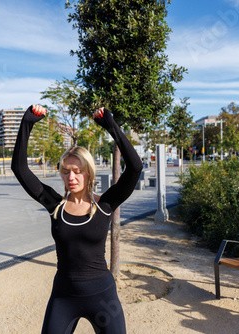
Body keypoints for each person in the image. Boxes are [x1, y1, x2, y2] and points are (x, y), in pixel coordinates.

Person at [12, 104, 143, 334]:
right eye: (65, 171)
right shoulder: (55, 205)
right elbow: (20, 169)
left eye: (77, 170)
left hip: (102, 296)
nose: (71, 177)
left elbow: (135, 167)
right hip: (64, 296)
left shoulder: (105, 204)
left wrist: (111, 126)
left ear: (88, 172)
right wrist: (26, 124)